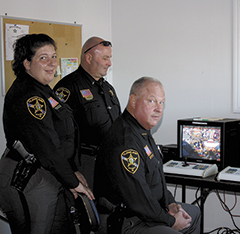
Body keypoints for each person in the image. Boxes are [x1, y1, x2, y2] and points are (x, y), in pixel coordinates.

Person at [0, 33, 94, 234]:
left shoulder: (43, 89)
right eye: (43, 58)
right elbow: (47, 146)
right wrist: (72, 181)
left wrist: (70, 171)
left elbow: (60, 139)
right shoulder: (29, 96)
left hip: (50, 173)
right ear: (26, 63)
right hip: (28, 178)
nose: (52, 63)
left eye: (54, 56)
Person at [94, 77, 201, 234]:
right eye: (152, 101)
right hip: (127, 220)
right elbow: (138, 198)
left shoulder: (141, 130)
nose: (159, 108)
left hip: (147, 211)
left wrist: (171, 204)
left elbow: (156, 177)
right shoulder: (125, 142)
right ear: (133, 101)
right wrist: (171, 221)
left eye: (161, 102)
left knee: (194, 214)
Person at [54, 36, 121, 190]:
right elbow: (59, 134)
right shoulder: (68, 87)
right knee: (88, 210)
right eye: (105, 58)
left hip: (109, 160)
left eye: (109, 58)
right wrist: (72, 169)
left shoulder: (108, 89)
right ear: (89, 57)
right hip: (85, 163)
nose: (109, 63)